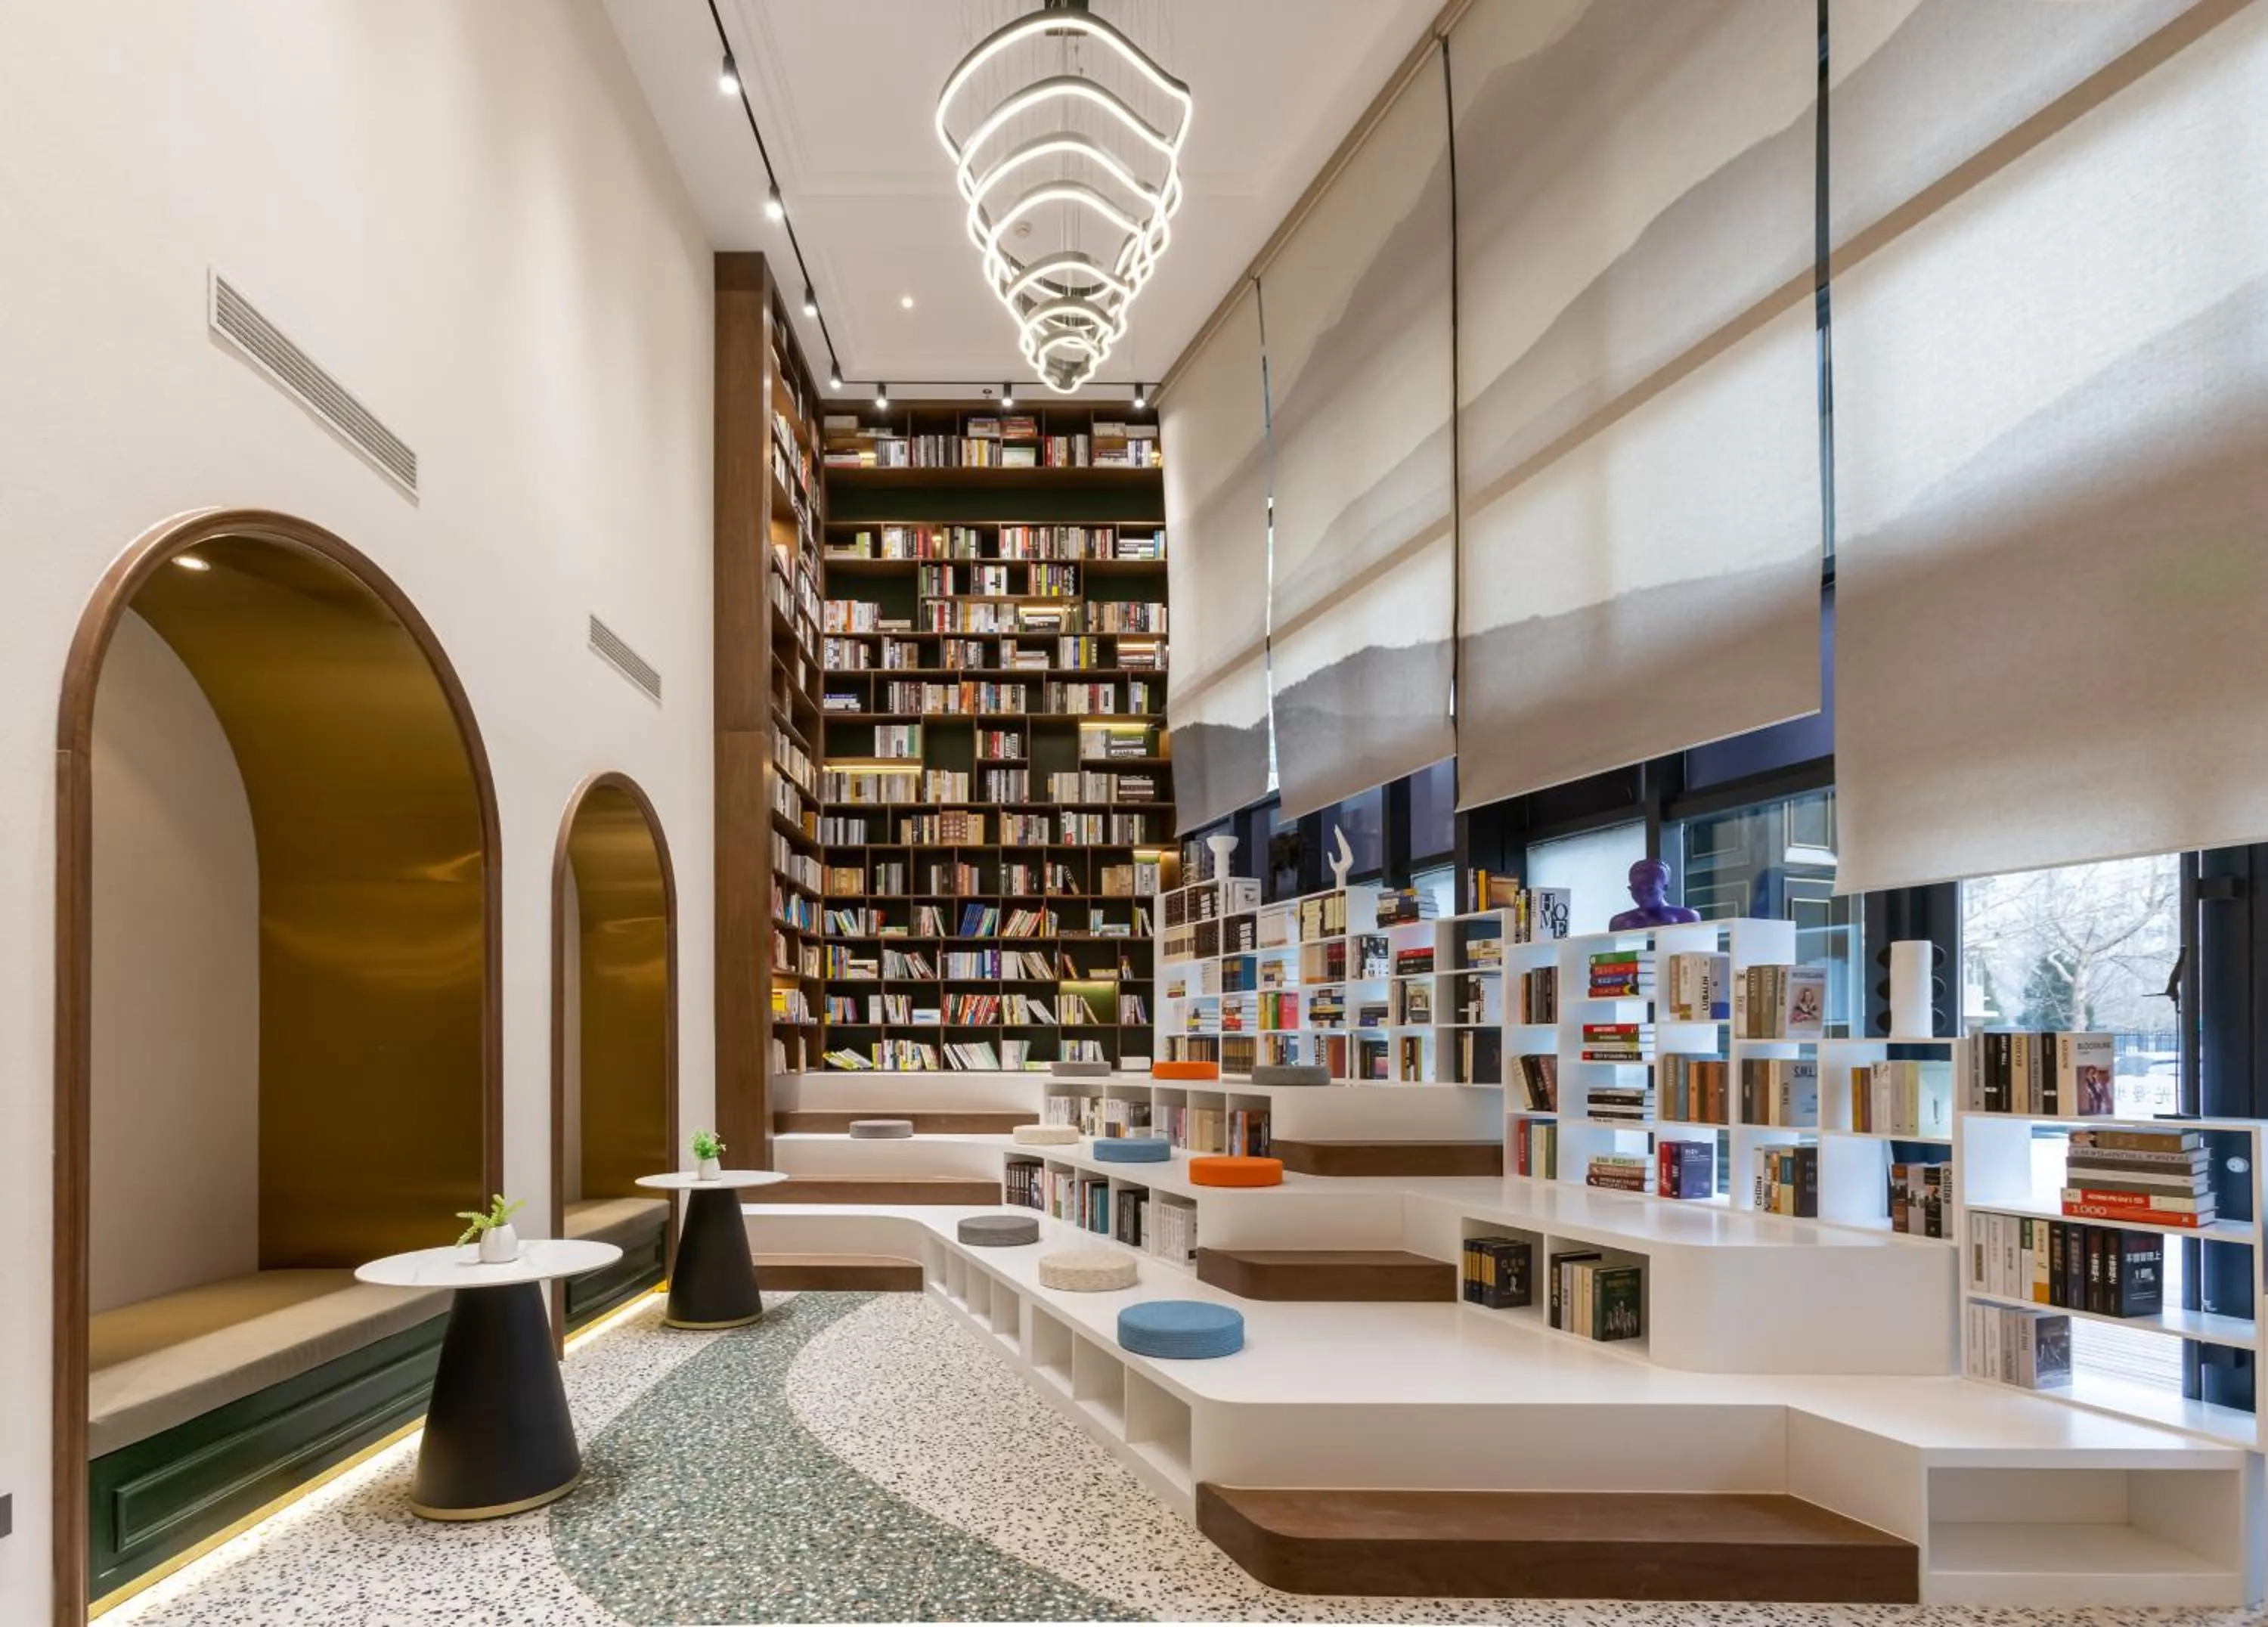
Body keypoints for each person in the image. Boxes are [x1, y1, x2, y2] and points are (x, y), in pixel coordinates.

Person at [1606, 857, 1699, 929]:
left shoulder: (1686, 917)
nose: (1643, 895)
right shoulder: (1620, 922)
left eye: (1650, 890)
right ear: (1630, 889)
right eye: (1637, 890)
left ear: (1665, 888)